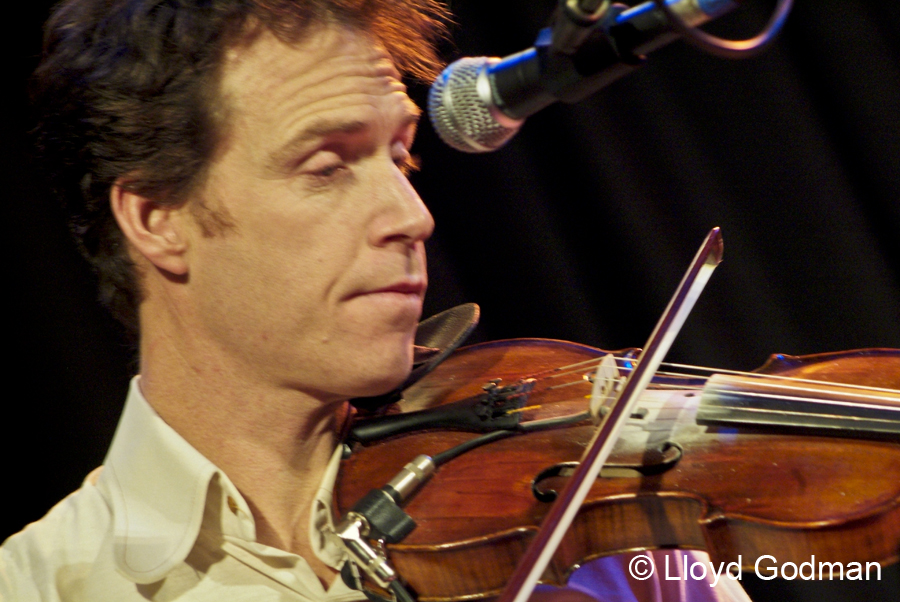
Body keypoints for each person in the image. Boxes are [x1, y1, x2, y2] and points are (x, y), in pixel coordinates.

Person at [0, 1, 752, 601]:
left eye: (400, 156)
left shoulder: (589, 531)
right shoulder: (46, 585)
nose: (413, 216)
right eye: (327, 167)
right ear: (157, 219)